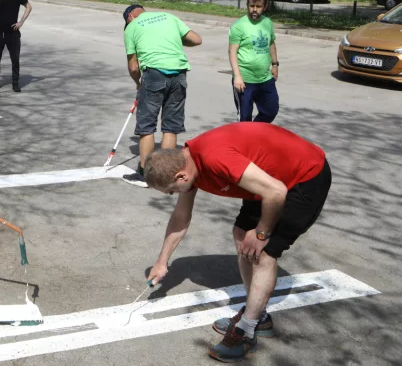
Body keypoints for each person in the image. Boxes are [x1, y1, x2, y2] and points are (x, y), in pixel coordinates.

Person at [142, 122, 332, 362]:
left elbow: (276, 193)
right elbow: (181, 218)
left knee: (262, 253)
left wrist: (262, 232)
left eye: (171, 191)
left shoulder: (215, 159)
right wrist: (162, 262)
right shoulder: (187, 164)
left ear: (181, 175)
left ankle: (247, 329)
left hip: (303, 178)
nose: (173, 195)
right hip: (267, 178)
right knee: (242, 235)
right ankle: (258, 316)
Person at [123, 4, 202, 184]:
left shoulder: (132, 28)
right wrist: (173, 40)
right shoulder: (168, 17)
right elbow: (196, 40)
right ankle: (166, 175)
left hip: (154, 74)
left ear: (130, 18)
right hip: (179, 73)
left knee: (147, 125)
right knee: (171, 125)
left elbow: (134, 66)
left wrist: (138, 83)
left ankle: (145, 174)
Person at [229, 0, 279, 123]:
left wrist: (275, 64)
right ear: (247, 5)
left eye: (258, 6)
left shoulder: (267, 23)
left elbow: (271, 44)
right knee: (245, 118)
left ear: (265, 7)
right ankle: (245, 140)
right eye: (252, 6)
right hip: (245, 81)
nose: (254, 10)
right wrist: (237, 76)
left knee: (271, 110)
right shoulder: (239, 26)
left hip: (264, 78)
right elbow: (232, 52)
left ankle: (254, 133)